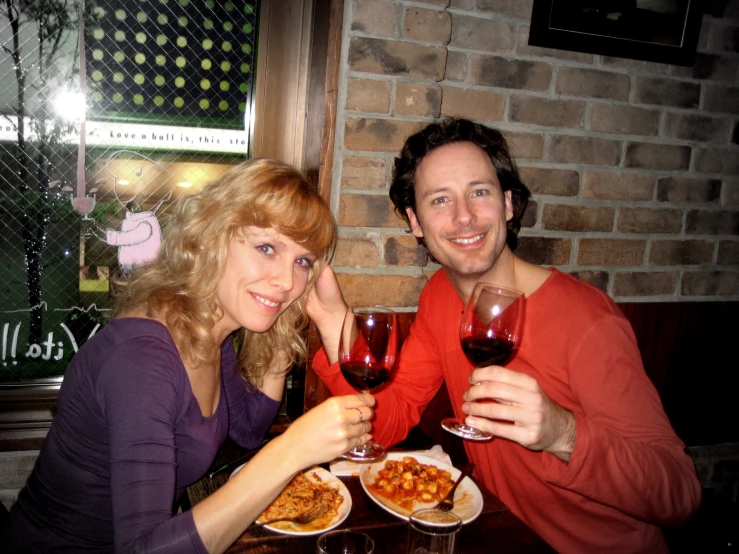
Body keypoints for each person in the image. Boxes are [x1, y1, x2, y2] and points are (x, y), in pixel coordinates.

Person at [307, 118, 701, 553]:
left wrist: (563, 434)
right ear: (415, 221)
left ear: (508, 205)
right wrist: (333, 325)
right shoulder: (439, 296)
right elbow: (389, 418)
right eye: (440, 200)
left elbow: (681, 496)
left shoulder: (588, 320)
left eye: (480, 191)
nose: (464, 216)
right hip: (501, 535)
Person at [2, 159, 375, 554]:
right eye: (266, 247)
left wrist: (284, 323)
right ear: (210, 237)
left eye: (302, 262)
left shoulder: (205, 326)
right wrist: (291, 452)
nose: (287, 282)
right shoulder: (143, 360)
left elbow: (247, 428)